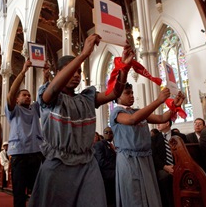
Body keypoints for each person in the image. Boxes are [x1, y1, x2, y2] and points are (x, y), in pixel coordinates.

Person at [28, 33, 134, 207]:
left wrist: (124, 68)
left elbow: (114, 93)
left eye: (79, 71)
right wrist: (83, 55)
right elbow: (54, 87)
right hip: (58, 164)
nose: (77, 74)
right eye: (72, 70)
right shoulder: (50, 96)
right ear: (60, 73)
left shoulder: (86, 98)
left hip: (87, 165)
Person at [110, 82, 185, 207]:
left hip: (145, 159)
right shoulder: (116, 112)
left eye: (132, 92)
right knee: (134, 197)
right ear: (118, 97)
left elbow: (162, 118)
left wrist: (174, 107)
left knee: (149, 195)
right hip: (129, 160)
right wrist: (158, 101)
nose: (131, 95)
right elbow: (132, 120)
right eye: (127, 93)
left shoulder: (138, 111)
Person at [5, 59, 45, 207]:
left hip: (36, 153)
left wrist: (46, 76)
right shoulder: (13, 110)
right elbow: (10, 94)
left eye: (29, 95)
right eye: (24, 95)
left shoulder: (34, 109)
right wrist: (23, 71)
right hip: (19, 155)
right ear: (17, 99)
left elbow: (44, 97)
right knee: (19, 194)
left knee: (37, 192)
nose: (27, 96)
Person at [94, 126, 117, 207]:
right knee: (110, 200)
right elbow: (101, 162)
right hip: (107, 177)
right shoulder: (99, 145)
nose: (108, 134)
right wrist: (117, 166)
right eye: (106, 132)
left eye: (111, 132)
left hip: (115, 176)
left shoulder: (113, 145)